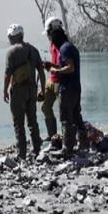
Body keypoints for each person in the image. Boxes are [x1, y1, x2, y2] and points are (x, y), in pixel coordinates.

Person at [45, 25, 88, 156]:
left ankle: (67, 149)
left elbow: (70, 67)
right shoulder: (70, 47)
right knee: (76, 116)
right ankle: (83, 144)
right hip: (76, 87)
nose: (51, 41)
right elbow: (66, 65)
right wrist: (53, 65)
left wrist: (55, 70)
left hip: (67, 88)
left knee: (65, 119)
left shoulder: (64, 48)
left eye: (51, 38)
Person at [3, 23, 44, 160]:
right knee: (33, 122)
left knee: (18, 123)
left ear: (13, 37)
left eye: (10, 37)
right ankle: (37, 150)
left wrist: (4, 91)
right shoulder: (33, 49)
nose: (9, 40)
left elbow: (8, 74)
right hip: (32, 90)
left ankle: (22, 154)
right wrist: (42, 90)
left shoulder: (11, 51)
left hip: (18, 91)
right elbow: (41, 72)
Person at [39, 16, 64, 150]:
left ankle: (65, 138)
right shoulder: (53, 44)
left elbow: (63, 66)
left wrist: (50, 65)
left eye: (48, 33)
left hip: (60, 82)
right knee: (45, 107)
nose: (48, 36)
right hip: (52, 80)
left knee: (64, 112)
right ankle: (52, 135)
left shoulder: (63, 45)